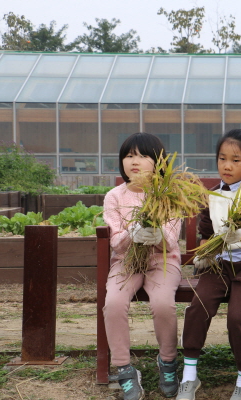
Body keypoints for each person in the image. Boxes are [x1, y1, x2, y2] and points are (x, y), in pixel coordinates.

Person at [176, 129, 241, 400]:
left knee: (238, 318)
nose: (227, 166)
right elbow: (205, 231)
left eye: (236, 160)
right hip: (219, 265)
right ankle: (190, 376)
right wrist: (208, 243)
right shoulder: (214, 194)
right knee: (197, 307)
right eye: (222, 159)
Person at [103, 132, 182, 400]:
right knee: (113, 303)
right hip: (126, 262)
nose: (134, 161)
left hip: (162, 261)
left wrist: (158, 233)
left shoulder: (168, 194)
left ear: (158, 162)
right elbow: (116, 243)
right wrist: (132, 233)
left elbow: (171, 241)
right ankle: (124, 369)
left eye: (142, 155)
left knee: (162, 304)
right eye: (128, 155)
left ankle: (168, 362)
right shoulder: (115, 196)